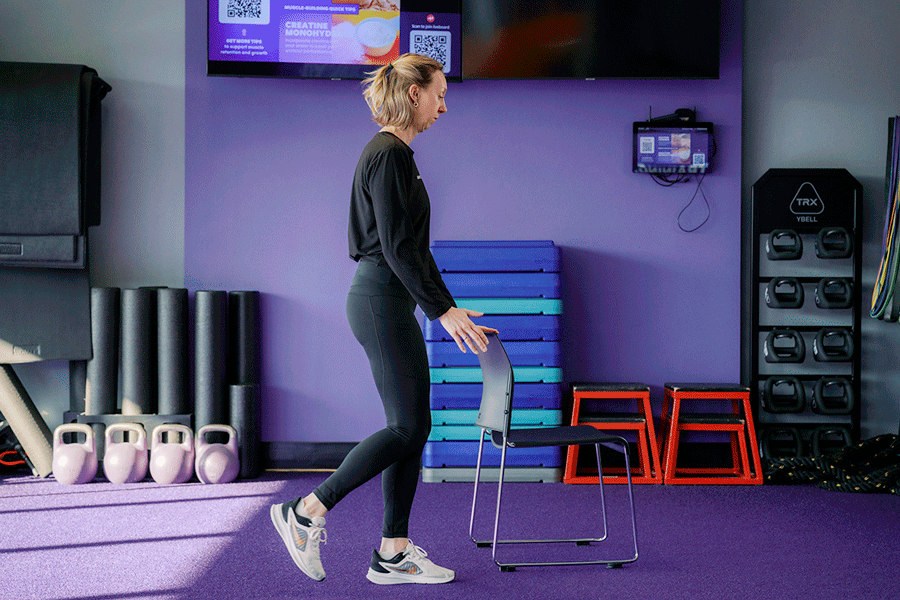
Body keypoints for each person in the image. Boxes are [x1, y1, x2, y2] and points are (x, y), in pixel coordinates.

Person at [270, 53, 496, 585]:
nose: (444, 106)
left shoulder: (397, 155)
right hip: (379, 300)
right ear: (413, 93)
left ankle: (392, 552)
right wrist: (442, 312)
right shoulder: (389, 155)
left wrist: (449, 308)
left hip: (390, 301)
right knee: (408, 426)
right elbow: (396, 247)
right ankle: (306, 512)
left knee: (412, 428)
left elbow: (417, 251)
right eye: (439, 94)